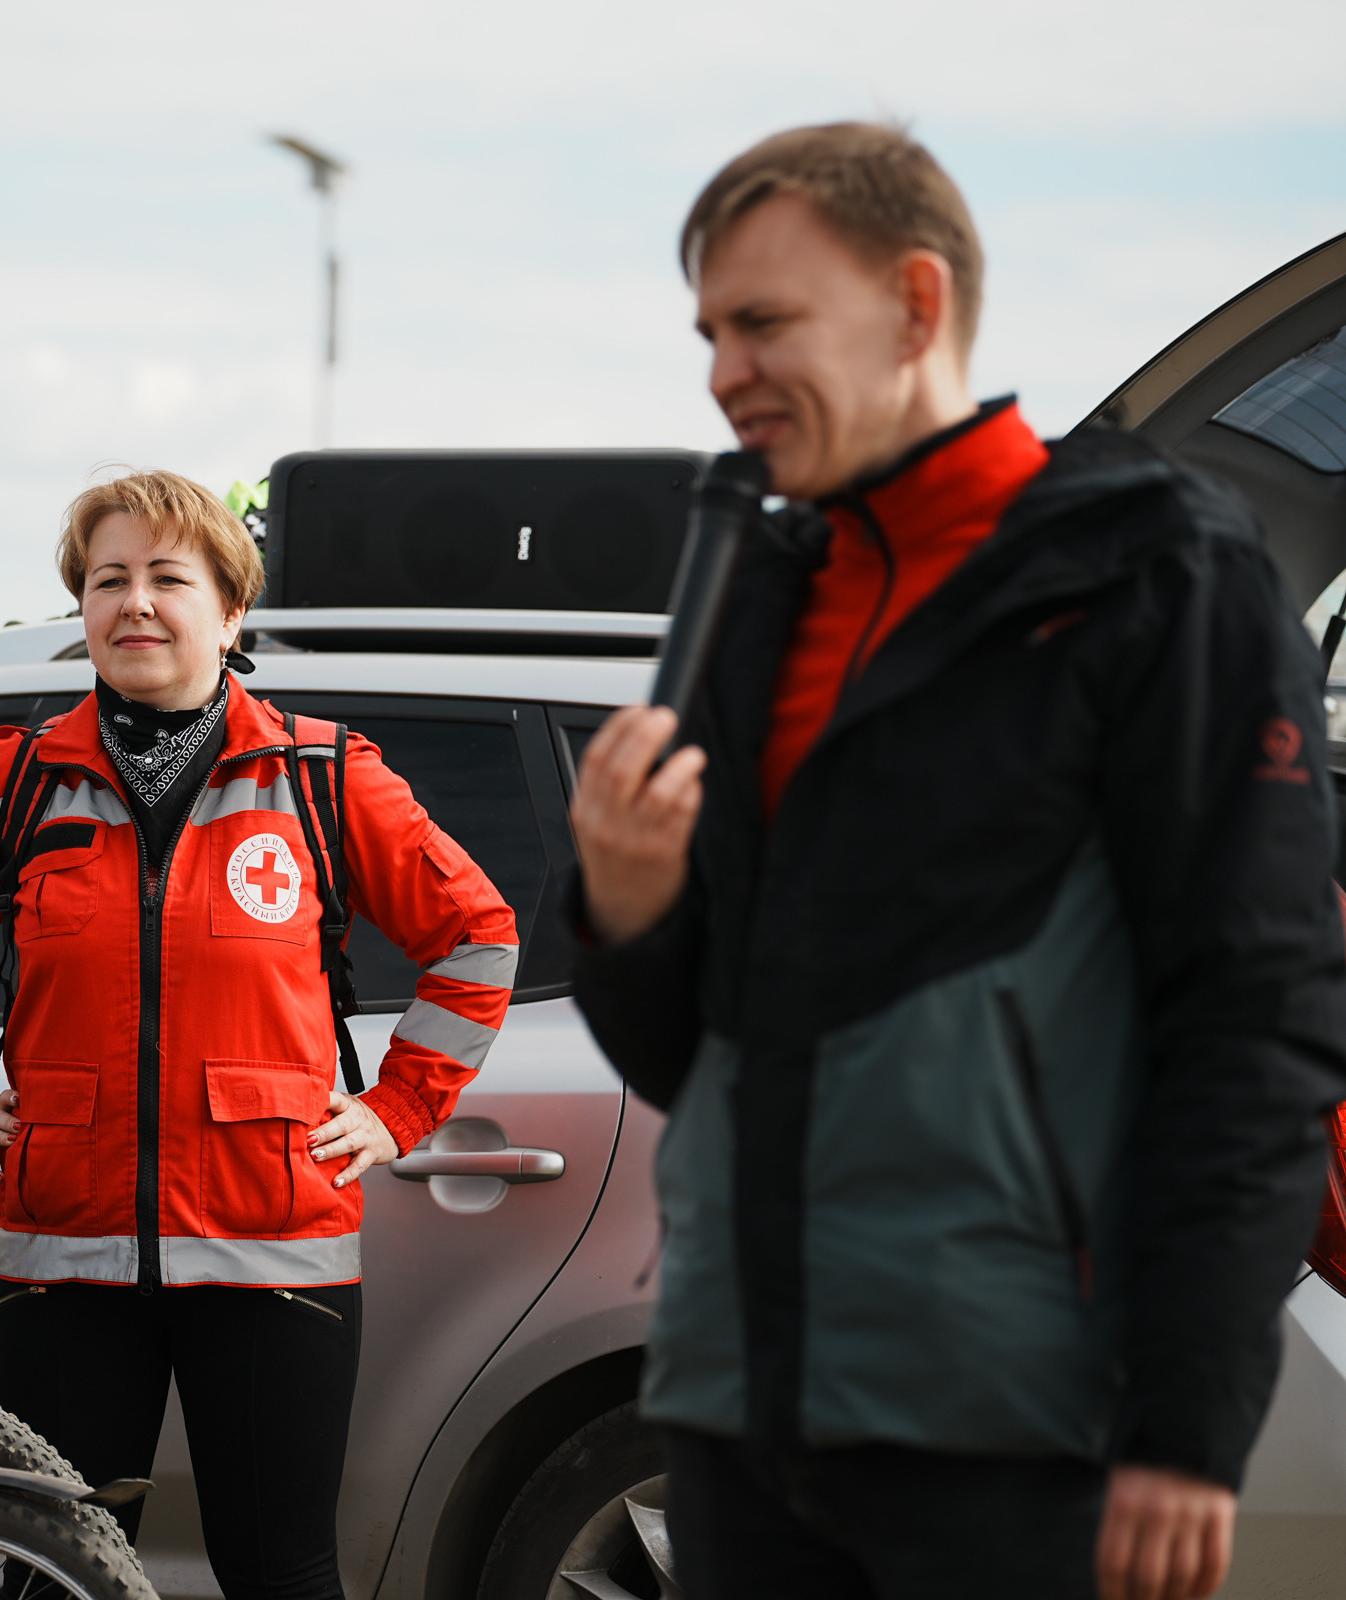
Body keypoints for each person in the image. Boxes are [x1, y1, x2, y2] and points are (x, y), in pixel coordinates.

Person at [565, 123, 1346, 1600]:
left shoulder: (1152, 570)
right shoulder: (758, 597)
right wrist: (622, 903)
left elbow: (1254, 1020)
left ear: (917, 304)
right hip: (745, 1397)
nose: (724, 370)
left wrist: (1188, 1419)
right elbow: (692, 1052)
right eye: (710, 333)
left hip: (1025, 1411)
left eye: (765, 322)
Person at [0, 468, 518, 1600]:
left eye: (170, 578)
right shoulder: (18, 779)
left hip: (275, 1257)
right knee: (52, 1574)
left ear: (230, 610)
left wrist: (401, 1105)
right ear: (82, 612)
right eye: (108, 579)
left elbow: (477, 937)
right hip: (65, 1258)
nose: (136, 604)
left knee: (278, 1574)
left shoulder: (323, 774)